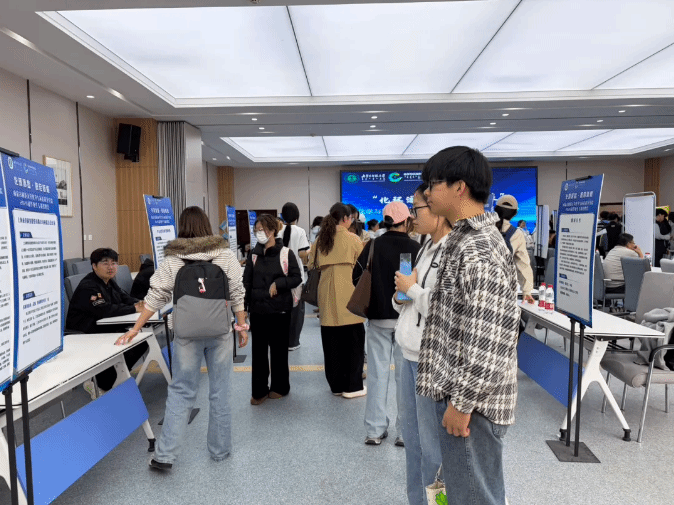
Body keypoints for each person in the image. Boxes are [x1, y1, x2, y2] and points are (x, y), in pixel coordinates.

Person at [417, 146, 520, 505]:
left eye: (433, 184)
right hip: (461, 396)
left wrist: (462, 404)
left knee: (474, 498)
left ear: (459, 186)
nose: (427, 192)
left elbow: (489, 340)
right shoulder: (462, 239)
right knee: (464, 493)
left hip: (472, 406)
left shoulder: (478, 250)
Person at [115, 206, 248, 471]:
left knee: (181, 391)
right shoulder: (224, 255)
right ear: (207, 226)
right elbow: (237, 292)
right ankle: (220, 451)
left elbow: (155, 297)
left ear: (182, 227)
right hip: (220, 331)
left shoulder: (173, 259)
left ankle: (164, 456)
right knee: (220, 391)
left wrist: (135, 328)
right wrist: (242, 325)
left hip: (186, 333)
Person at [392, 183, 448, 505]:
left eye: (417, 209)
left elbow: (445, 310)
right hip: (408, 354)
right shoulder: (425, 247)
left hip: (430, 361)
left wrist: (411, 290)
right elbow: (412, 298)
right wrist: (401, 294)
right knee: (413, 444)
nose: (413, 217)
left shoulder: (453, 250)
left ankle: (434, 501)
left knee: (432, 449)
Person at [353, 201, 420, 445]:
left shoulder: (373, 245)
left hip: (378, 318)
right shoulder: (414, 247)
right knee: (405, 379)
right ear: (407, 220)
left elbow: (356, 276)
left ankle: (374, 430)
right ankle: (404, 432)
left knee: (377, 375)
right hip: (405, 320)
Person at [66, 248, 148, 397]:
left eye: (114, 263)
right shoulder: (89, 286)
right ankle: (99, 383)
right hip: (86, 331)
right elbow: (104, 310)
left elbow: (124, 298)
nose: (111, 267)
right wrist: (134, 308)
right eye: (105, 263)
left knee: (140, 341)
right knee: (134, 342)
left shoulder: (109, 282)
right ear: (94, 266)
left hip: (104, 325)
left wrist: (142, 304)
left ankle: (113, 377)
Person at [308, 203, 366, 398]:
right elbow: (364, 265)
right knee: (353, 344)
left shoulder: (320, 240)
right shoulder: (353, 239)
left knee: (331, 344)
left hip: (326, 296)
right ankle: (352, 387)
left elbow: (311, 264)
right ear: (346, 219)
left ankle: (336, 386)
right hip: (349, 295)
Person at [243, 214, 302, 404]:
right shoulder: (253, 255)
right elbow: (246, 282)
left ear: (273, 231)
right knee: (258, 353)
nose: (260, 233)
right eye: (257, 230)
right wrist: (244, 308)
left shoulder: (286, 253)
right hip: (258, 310)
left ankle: (280, 387)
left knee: (279, 351)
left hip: (280, 310)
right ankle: (259, 391)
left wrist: (279, 283)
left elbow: (296, 277)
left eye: (263, 229)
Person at [279, 202, 311, 351]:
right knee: (296, 311)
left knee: (280, 309)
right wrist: (311, 249)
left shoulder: (277, 230)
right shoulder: (300, 231)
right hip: (296, 277)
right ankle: (293, 342)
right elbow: (302, 254)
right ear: (297, 216)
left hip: (279, 275)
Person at [494, 195, 535, 304]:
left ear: (495, 209)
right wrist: (527, 291)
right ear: (515, 213)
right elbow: (523, 265)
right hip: (502, 289)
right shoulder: (516, 234)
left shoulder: (482, 227)